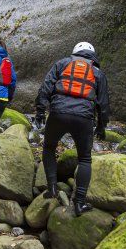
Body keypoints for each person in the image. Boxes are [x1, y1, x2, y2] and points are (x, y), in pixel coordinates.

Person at [35, 41, 110, 216]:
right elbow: (103, 104)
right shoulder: (98, 73)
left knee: (48, 148)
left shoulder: (62, 64)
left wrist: (40, 111)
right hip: (83, 118)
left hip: (58, 113)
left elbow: (45, 88)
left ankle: (52, 188)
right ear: (92, 56)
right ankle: (79, 203)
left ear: (75, 52)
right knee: (84, 159)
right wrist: (101, 126)